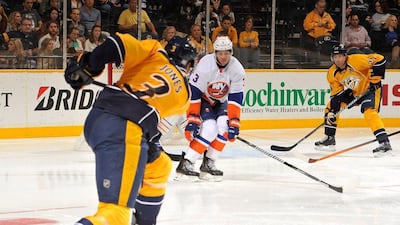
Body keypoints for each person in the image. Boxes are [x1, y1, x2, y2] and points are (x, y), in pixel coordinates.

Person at [64, 33, 196, 224]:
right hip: (124, 129)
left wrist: (90, 65)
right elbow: (154, 122)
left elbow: (117, 44)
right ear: (189, 65)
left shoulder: (155, 50)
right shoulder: (184, 95)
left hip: (99, 118)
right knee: (116, 214)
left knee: (160, 166)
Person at [175, 36, 245, 181]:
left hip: (221, 101)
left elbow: (236, 97)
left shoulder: (237, 68)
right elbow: (194, 91)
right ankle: (187, 162)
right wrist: (193, 118)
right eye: (220, 53)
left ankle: (209, 162)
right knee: (209, 129)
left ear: (231, 52)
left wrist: (234, 121)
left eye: (227, 53)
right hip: (203, 99)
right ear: (215, 53)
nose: (224, 56)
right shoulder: (205, 65)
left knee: (224, 127)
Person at [314, 44, 392, 158]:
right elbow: (336, 95)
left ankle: (384, 143)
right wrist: (333, 112)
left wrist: (375, 81)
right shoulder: (332, 73)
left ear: (345, 56)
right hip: (355, 92)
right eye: (335, 57)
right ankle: (329, 138)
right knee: (330, 107)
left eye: (340, 56)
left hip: (370, 89)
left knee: (369, 111)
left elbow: (380, 59)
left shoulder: (356, 60)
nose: (338, 59)